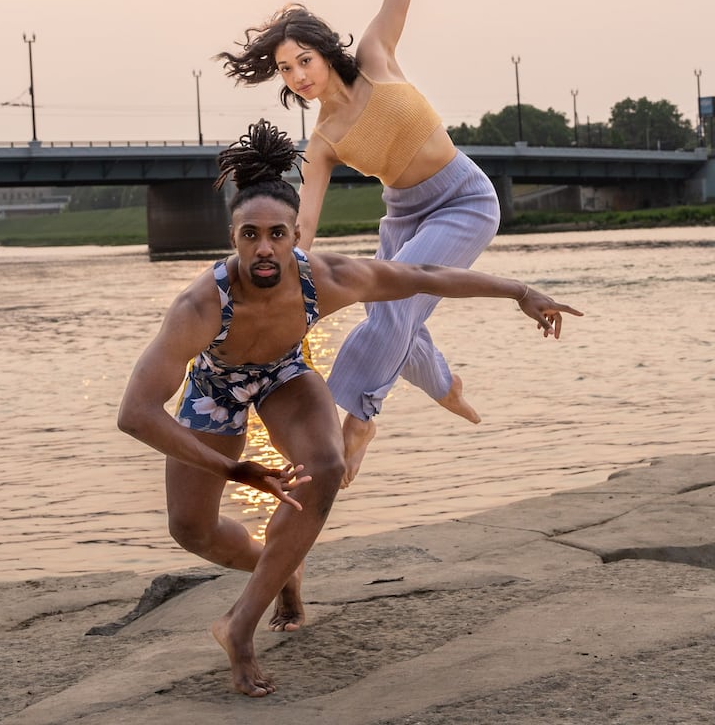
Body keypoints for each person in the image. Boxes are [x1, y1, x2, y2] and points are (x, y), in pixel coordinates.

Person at [118, 120, 582, 698]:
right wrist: (232, 469)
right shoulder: (199, 306)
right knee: (192, 530)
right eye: (250, 235)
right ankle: (281, 567)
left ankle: (239, 626)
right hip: (215, 388)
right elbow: (136, 412)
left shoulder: (326, 278)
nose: (264, 249)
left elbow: (423, 274)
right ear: (233, 237)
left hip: (285, 374)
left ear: (294, 236)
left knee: (328, 468)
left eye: (278, 235)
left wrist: (519, 290)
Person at [218, 0, 502, 485]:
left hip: (464, 199)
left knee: (393, 308)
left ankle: (362, 418)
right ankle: (442, 382)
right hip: (403, 215)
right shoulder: (322, 140)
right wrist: (272, 267)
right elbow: (305, 225)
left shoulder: (376, 57)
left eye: (304, 59)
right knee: (391, 313)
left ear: (324, 50)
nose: (299, 74)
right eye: (287, 70)